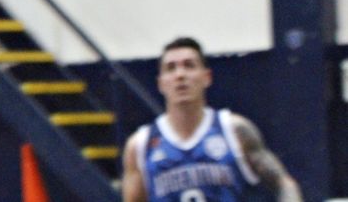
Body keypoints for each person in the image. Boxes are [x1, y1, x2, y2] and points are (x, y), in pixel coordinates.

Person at [121, 37, 303, 202]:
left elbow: (285, 185)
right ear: (161, 83)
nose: (180, 75)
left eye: (189, 65)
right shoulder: (140, 146)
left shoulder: (234, 130)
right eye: (171, 68)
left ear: (206, 77)